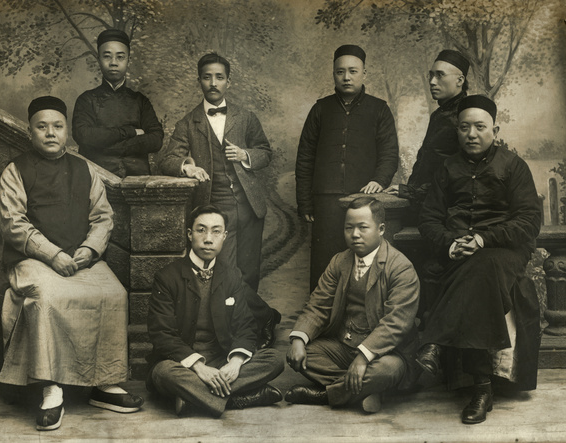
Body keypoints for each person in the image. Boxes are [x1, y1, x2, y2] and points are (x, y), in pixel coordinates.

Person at [0, 96, 143, 431]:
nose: (50, 133)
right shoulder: (15, 171)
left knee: (113, 294)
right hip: (32, 258)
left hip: (79, 257)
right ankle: (51, 389)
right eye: (42, 127)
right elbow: (13, 223)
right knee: (48, 298)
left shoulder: (84, 169)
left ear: (67, 132)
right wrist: (52, 254)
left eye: (57, 126)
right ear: (30, 131)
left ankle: (104, 384)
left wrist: (90, 251)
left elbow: (103, 217)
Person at [416, 95, 542, 424]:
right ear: (457, 131)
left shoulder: (513, 166)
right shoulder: (447, 168)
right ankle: (482, 390)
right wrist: (450, 243)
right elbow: (428, 219)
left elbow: (529, 220)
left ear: (495, 130)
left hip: (504, 251)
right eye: (464, 127)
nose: (471, 134)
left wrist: (484, 238)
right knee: (476, 269)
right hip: (460, 250)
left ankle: (434, 343)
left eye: (480, 127)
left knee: (483, 265)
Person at [158, 52, 280, 347]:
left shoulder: (246, 117)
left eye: (219, 77)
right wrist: (186, 166)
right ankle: (267, 317)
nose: (213, 83)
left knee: (248, 273)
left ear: (229, 81)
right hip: (215, 210)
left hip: (249, 207)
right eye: (207, 77)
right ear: (199, 80)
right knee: (224, 274)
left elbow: (265, 152)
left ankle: (246, 330)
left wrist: (246, 155)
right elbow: (166, 158)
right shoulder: (189, 122)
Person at [147, 204, 284, 417]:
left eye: (216, 231)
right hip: (182, 365)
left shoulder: (231, 276)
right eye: (201, 230)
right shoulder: (167, 277)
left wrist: (235, 363)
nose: (208, 238)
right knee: (163, 373)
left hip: (221, 361)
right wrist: (199, 368)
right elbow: (161, 334)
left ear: (225, 237)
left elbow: (246, 327)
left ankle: (194, 398)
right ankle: (237, 398)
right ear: (189, 234)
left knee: (274, 359)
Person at [285, 196, 420, 414]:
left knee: (388, 370)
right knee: (301, 354)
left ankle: (326, 395)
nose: (354, 234)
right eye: (349, 228)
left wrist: (364, 357)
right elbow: (319, 305)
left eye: (362, 227)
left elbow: (396, 324)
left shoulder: (400, 268)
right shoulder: (340, 261)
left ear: (381, 228)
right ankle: (367, 389)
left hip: (386, 353)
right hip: (343, 347)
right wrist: (299, 338)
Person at [295, 44, 399, 292]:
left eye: (353, 71)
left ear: (365, 74)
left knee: (361, 258)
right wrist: (305, 202)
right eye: (340, 72)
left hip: (363, 199)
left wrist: (379, 180)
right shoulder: (320, 109)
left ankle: (358, 319)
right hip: (326, 202)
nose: (346, 77)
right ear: (333, 74)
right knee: (325, 261)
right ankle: (320, 321)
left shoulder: (379, 109)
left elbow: (389, 153)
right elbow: (305, 157)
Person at [385, 49, 470, 220]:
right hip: (423, 203)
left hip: (445, 211)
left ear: (460, 80)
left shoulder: (465, 117)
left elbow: (460, 176)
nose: (432, 81)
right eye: (431, 75)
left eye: (440, 75)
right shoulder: (440, 114)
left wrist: (410, 192)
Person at [73, 29, 164, 177]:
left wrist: (103, 145)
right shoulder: (86, 100)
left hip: (137, 181)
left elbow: (156, 139)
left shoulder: (140, 101)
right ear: (98, 59)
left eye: (120, 57)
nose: (113, 63)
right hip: (97, 181)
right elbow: (84, 136)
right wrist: (131, 132)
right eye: (107, 57)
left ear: (128, 60)